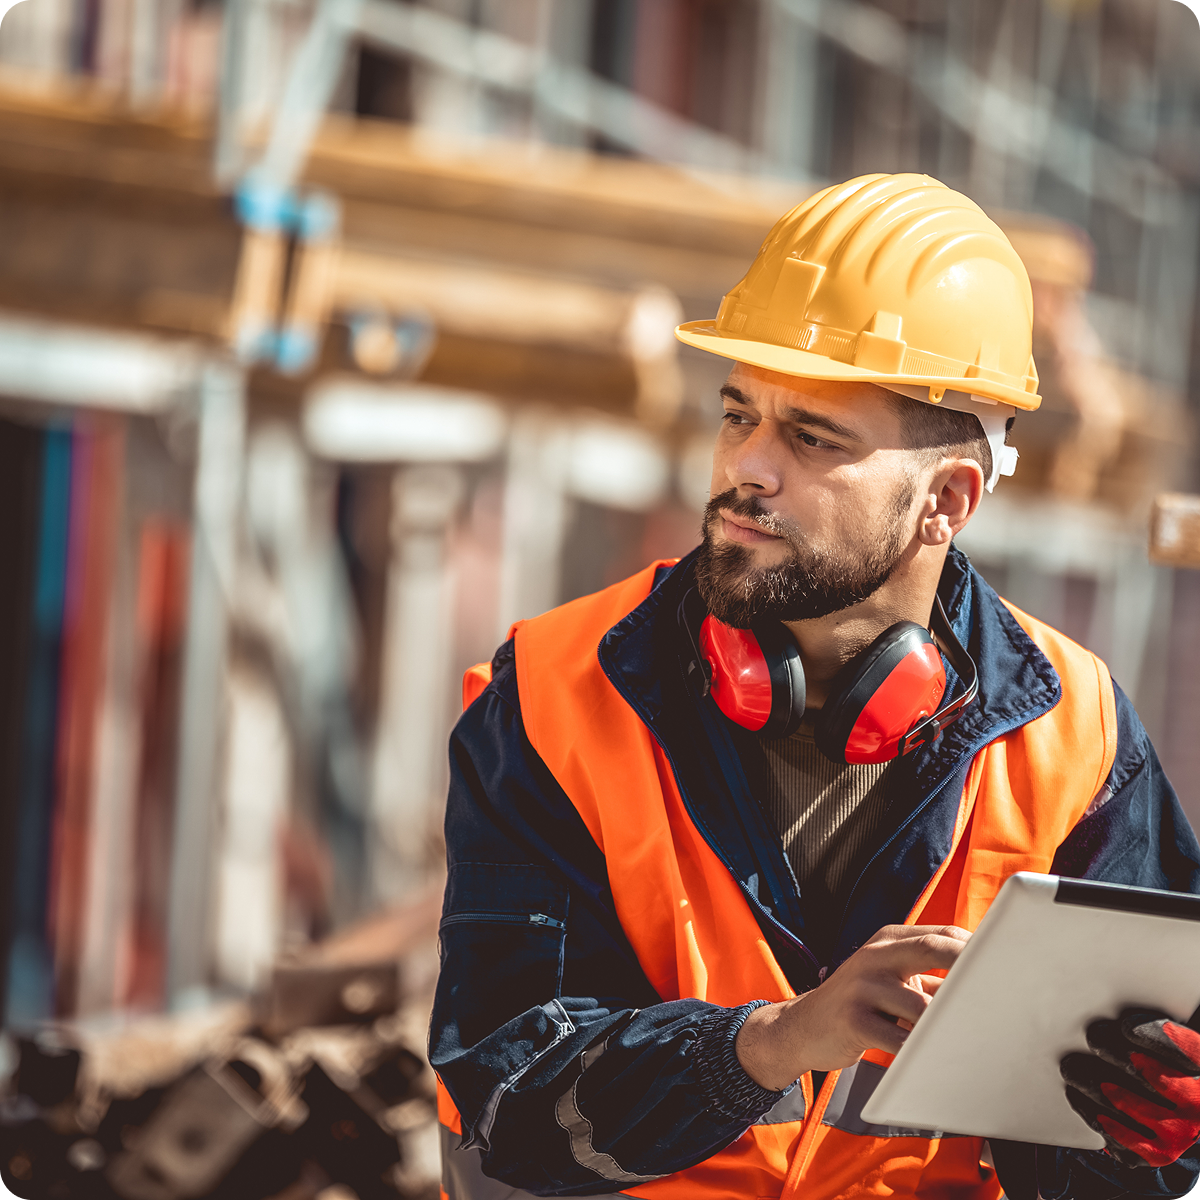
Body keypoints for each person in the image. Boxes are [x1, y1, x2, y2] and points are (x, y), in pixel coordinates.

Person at [428, 173, 1200, 1200]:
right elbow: (510, 1104)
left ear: (947, 500)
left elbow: (1127, 1139)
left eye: (812, 436)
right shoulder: (552, 695)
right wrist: (773, 1043)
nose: (746, 467)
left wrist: (1146, 1135)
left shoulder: (1078, 737)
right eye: (738, 414)